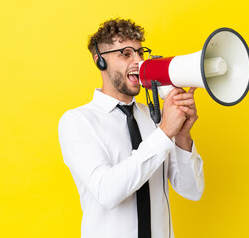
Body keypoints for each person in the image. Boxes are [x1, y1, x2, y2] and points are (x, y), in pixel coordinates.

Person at [58, 18, 205, 238]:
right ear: (100, 61)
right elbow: (106, 192)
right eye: (126, 54)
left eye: (140, 53)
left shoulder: (154, 117)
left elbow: (192, 191)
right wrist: (164, 133)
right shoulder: (78, 121)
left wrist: (182, 135)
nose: (138, 62)